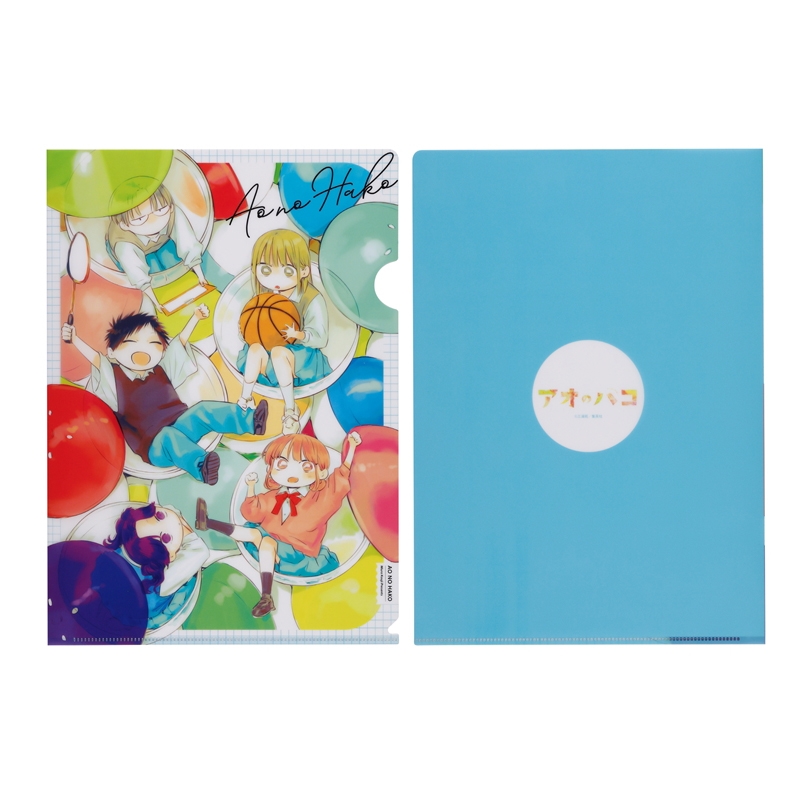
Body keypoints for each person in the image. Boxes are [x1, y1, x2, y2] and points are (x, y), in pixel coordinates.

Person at [62, 307, 267, 484]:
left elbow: (180, 343)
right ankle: (200, 466)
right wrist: (74, 339)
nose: (143, 350)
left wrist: (195, 318)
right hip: (155, 446)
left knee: (203, 409)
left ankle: (250, 421)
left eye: (153, 343)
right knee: (169, 436)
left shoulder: (162, 369)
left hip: (181, 424)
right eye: (131, 342)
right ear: (112, 353)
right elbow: (97, 360)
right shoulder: (115, 378)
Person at [195, 431, 361, 618]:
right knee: (256, 534)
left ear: (321, 472)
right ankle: (207, 522)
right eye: (282, 464)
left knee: (265, 541)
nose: (292, 473)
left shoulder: (319, 500)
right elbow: (251, 512)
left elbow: (339, 480)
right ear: (271, 467)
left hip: (298, 555)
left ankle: (266, 596)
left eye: (306, 466)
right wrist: (251, 488)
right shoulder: (273, 497)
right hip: (268, 547)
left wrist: (352, 448)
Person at [236, 230, 332, 435]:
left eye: (287, 271)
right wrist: (244, 329)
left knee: (279, 353)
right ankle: (245, 399)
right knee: (254, 349)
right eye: (266, 269)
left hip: (301, 356)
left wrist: (299, 335)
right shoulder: (263, 295)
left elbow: (321, 338)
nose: (276, 278)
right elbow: (250, 331)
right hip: (268, 352)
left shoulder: (311, 299)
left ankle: (290, 410)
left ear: (304, 271)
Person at [106, 182, 208, 313]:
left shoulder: (172, 212)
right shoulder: (123, 243)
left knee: (177, 267)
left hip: (163, 242)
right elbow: (136, 273)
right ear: (124, 225)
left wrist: (201, 277)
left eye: (160, 210)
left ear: (170, 206)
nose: (153, 221)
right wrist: (156, 303)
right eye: (140, 219)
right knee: (154, 283)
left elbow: (188, 242)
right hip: (136, 246)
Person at [105, 503, 208, 625]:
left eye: (159, 516)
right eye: (166, 538)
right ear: (171, 556)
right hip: (148, 618)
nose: (172, 523)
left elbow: (169, 509)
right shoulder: (165, 579)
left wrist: (172, 519)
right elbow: (200, 551)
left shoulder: (126, 546)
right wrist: (183, 529)